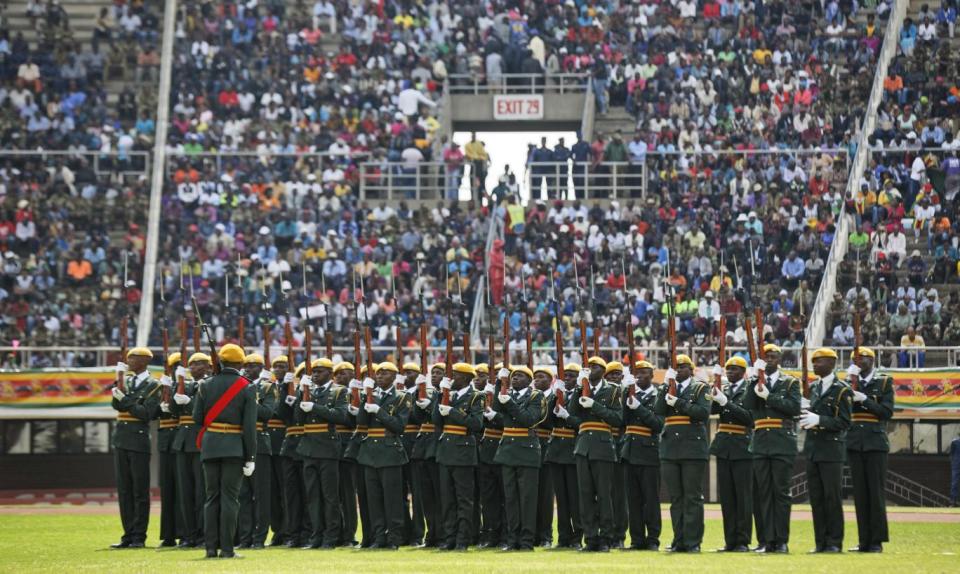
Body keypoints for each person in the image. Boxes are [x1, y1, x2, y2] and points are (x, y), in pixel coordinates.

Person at [191, 344, 258, 559]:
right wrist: (251, 457)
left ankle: (210, 548)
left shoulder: (206, 385)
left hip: (210, 446)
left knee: (211, 498)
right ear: (241, 364)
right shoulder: (247, 386)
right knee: (230, 498)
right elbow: (249, 427)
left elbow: (197, 418)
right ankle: (227, 549)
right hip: (234, 447)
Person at [743, 344, 801, 554]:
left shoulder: (790, 382)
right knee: (763, 494)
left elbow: (794, 409)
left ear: (779, 359)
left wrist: (769, 396)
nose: (769, 359)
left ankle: (782, 541)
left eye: (772, 356)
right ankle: (768, 541)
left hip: (782, 443)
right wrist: (754, 380)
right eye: (765, 357)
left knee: (781, 493)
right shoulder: (755, 381)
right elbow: (748, 403)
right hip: (760, 444)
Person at [561, 356, 623, 552]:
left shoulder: (612, 390)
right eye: (588, 367)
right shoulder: (581, 389)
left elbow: (617, 419)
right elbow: (572, 414)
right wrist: (579, 388)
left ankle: (605, 538)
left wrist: (594, 405)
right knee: (585, 496)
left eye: (595, 367)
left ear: (602, 370)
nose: (590, 369)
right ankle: (590, 538)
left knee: (604, 496)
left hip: (603, 446)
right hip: (583, 447)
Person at [654, 354, 710, 553]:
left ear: (691, 369)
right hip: (670, 448)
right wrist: (664, 386)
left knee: (692, 497)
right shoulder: (668, 387)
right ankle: (679, 540)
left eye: (682, 366)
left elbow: (703, 413)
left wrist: (678, 402)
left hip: (692, 448)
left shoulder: (701, 387)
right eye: (675, 367)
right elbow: (658, 409)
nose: (678, 370)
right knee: (676, 498)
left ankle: (693, 541)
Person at [800, 348, 853, 554]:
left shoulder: (842, 390)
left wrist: (819, 420)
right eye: (813, 362)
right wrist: (804, 416)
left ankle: (834, 542)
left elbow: (844, 422)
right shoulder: (812, 389)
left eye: (819, 361)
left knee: (832, 498)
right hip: (813, 449)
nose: (815, 365)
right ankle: (820, 541)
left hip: (831, 451)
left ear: (832, 363)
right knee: (817, 498)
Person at [356, 362, 412, 549]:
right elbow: (361, 423)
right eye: (378, 374)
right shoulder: (371, 396)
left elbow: (399, 426)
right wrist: (366, 399)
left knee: (392, 499)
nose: (379, 376)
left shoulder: (402, 397)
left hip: (390, 452)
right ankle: (379, 537)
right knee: (374, 500)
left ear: (394, 377)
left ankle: (394, 539)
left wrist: (378, 411)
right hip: (369, 452)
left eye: (384, 373)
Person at [109, 347, 161, 549]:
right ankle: (127, 535)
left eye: (133, 357)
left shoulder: (153, 385)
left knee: (139, 491)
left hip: (139, 440)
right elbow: (117, 406)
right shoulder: (127, 381)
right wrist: (119, 385)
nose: (128, 360)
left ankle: (139, 536)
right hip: (121, 438)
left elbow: (145, 413)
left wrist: (126, 399)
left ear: (144, 361)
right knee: (124, 490)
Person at [491, 365, 546, 551]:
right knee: (511, 499)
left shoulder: (536, 396)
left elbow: (528, 419)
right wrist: (500, 383)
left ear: (529, 380)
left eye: (519, 376)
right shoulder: (508, 394)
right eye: (513, 376)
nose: (515, 378)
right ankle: (512, 539)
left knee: (527, 499)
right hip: (507, 451)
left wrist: (510, 403)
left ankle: (526, 541)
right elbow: (496, 408)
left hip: (527, 451)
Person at [295, 357, 349, 549]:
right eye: (313, 372)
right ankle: (316, 536)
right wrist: (301, 394)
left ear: (329, 373)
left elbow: (341, 416)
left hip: (327, 448)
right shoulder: (308, 391)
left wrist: (315, 407)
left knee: (330, 496)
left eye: (319, 371)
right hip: (308, 448)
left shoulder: (339, 391)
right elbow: (298, 418)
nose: (315, 375)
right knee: (313, 496)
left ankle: (331, 537)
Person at [846, 348, 895, 552]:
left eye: (862, 358)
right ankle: (863, 540)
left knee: (875, 493)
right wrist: (849, 386)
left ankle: (876, 541)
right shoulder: (849, 384)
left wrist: (864, 400)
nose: (858, 361)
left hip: (875, 443)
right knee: (860, 494)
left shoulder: (883, 382)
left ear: (872, 360)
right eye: (855, 359)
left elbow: (886, 412)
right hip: (855, 443)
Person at [433, 362, 484, 550]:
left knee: (464, 499)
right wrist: (440, 397)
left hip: (463, 451)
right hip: (445, 451)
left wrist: (452, 411)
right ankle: (449, 538)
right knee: (447, 499)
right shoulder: (448, 396)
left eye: (454, 375)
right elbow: (436, 420)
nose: (450, 378)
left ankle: (463, 540)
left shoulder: (475, 397)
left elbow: (476, 424)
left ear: (465, 378)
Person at [709, 356, 754, 552]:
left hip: (742, 446)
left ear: (743, 372)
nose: (730, 373)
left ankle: (743, 541)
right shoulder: (723, 389)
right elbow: (710, 410)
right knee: (726, 497)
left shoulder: (750, 390)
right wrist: (714, 387)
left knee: (742, 497)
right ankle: (730, 540)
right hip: (724, 447)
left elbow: (749, 418)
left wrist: (726, 401)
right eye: (728, 370)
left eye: (735, 370)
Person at [171, 352, 213, 548]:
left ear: (208, 367)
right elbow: (170, 410)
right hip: (182, 442)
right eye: (192, 364)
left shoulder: (210, 384)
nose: (193, 367)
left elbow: (208, 409)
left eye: (198, 364)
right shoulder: (185, 385)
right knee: (185, 493)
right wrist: (173, 387)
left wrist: (189, 401)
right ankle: (188, 535)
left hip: (200, 441)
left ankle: (204, 536)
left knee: (201, 493)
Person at [236, 353, 277, 549]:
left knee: (261, 494)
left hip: (260, 443)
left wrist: (248, 400)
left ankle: (259, 537)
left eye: (252, 366)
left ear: (261, 368)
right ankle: (245, 538)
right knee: (243, 494)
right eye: (246, 366)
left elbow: (268, 413)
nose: (248, 369)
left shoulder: (268, 387)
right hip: (240, 443)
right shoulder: (239, 387)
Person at [621, 360, 663, 551]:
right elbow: (621, 420)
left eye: (644, 372)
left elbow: (657, 424)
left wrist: (637, 406)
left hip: (649, 452)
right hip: (629, 452)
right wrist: (625, 393)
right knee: (634, 500)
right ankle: (636, 539)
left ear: (652, 376)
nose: (639, 375)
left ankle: (653, 539)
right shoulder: (629, 394)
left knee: (651, 500)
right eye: (636, 372)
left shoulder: (658, 395)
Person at [545, 364, 583, 549]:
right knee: (561, 500)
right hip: (557, 451)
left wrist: (567, 416)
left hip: (573, 450)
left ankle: (577, 538)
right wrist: (554, 397)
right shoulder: (557, 395)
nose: (567, 378)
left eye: (571, 376)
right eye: (564, 376)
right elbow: (547, 422)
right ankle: (563, 537)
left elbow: (583, 424)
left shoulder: (582, 395)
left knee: (575, 499)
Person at [276, 362, 311, 547]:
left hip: (308, 446)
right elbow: (281, 413)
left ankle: (307, 533)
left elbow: (301, 417)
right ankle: (293, 534)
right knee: (291, 495)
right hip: (290, 447)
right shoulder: (291, 392)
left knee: (308, 494)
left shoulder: (315, 395)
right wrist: (284, 388)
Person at [411, 363, 445, 546]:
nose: (435, 376)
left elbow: (439, 418)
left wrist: (430, 404)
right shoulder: (428, 393)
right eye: (433, 373)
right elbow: (416, 417)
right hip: (423, 447)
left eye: (439, 373)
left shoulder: (446, 395)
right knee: (426, 497)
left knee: (440, 495)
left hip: (438, 446)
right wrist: (418, 393)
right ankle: (431, 534)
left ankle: (442, 534)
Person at [156, 352, 183, 548]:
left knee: (184, 490)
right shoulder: (161, 386)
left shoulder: (188, 387)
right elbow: (151, 411)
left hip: (182, 441)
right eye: (174, 367)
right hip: (166, 442)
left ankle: (186, 533)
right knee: (167, 490)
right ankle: (168, 535)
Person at [477, 364, 506, 548]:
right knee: (488, 498)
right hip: (486, 449)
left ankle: (505, 535)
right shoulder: (481, 394)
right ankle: (490, 534)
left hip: (503, 448)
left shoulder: (507, 393)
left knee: (505, 497)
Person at [265, 356, 292, 546]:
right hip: (268, 444)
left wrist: (286, 388)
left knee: (287, 491)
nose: (279, 369)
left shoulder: (293, 387)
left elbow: (282, 412)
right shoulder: (267, 387)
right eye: (276, 366)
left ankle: (289, 529)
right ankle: (277, 530)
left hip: (285, 442)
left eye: (282, 366)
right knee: (272, 492)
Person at [532, 366, 556, 547]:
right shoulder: (530, 397)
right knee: (531, 494)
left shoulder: (554, 397)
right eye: (535, 377)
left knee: (546, 496)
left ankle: (546, 536)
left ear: (550, 380)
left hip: (546, 445)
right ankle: (532, 534)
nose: (537, 380)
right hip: (530, 446)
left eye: (541, 377)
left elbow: (547, 421)